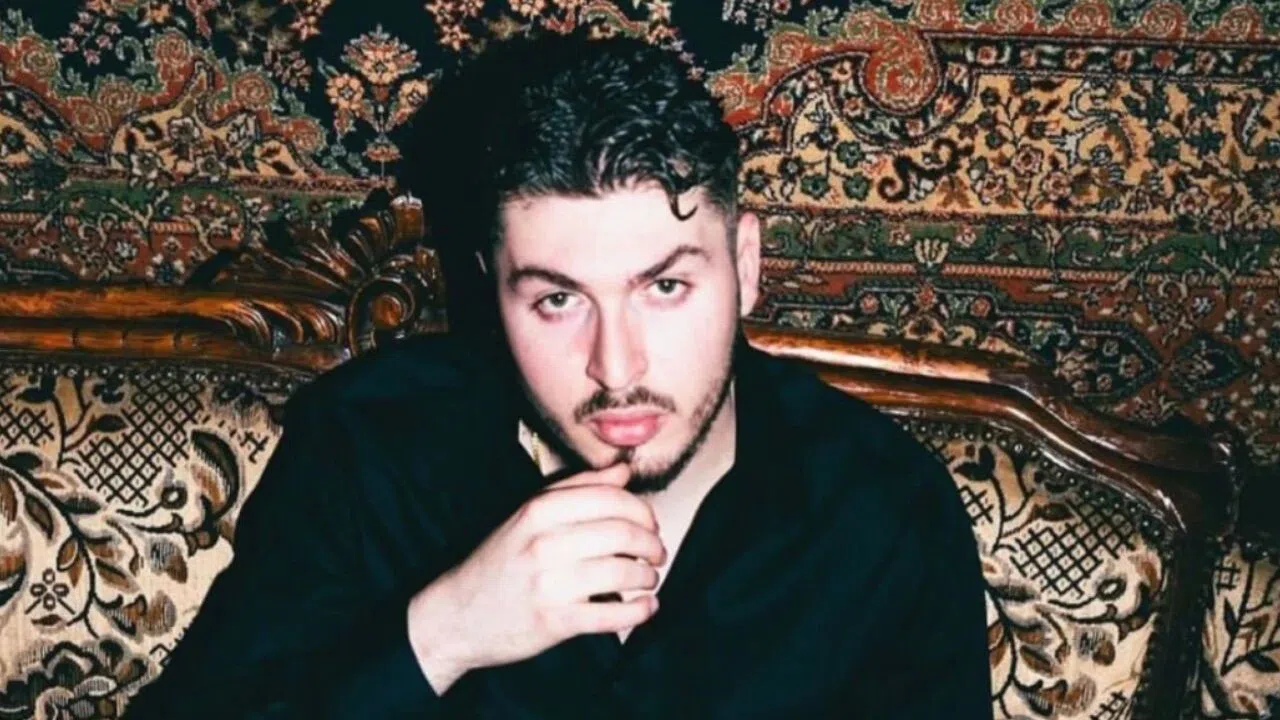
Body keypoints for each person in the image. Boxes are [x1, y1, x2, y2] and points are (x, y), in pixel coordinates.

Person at [125, 30, 992, 719]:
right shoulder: (367, 451)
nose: (616, 366)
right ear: (491, 290)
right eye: (557, 300)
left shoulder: (881, 512)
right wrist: (444, 633)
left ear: (745, 265)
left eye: (664, 287)